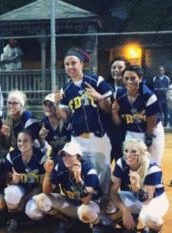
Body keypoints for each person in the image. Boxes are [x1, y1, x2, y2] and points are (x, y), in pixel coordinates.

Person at [58, 47, 113, 195]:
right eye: (67, 64)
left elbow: (108, 109)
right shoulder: (66, 89)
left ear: (82, 64)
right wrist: (57, 106)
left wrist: (99, 97)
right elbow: (67, 117)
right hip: (77, 139)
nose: (70, 67)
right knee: (80, 171)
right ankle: (84, 205)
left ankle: (104, 205)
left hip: (98, 137)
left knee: (104, 175)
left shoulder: (96, 81)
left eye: (73, 63)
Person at [33, 142, 103, 233]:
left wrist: (78, 178)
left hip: (90, 207)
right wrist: (48, 173)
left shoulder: (88, 170)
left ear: (78, 156)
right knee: (41, 199)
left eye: (70, 155)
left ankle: (97, 224)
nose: (66, 158)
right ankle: (64, 220)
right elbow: (47, 191)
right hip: (72, 205)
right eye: (63, 155)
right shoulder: (60, 166)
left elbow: (86, 200)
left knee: (85, 210)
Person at [109, 139, 169, 233]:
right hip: (135, 198)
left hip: (155, 200)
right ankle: (127, 223)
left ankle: (154, 229)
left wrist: (136, 187)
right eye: (126, 150)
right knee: (107, 202)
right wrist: (124, 210)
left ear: (141, 153)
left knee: (149, 218)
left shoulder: (153, 169)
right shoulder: (121, 163)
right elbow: (113, 192)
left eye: (133, 151)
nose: (128, 155)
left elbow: (147, 200)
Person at [112, 65, 164, 165]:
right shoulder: (119, 95)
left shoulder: (148, 96)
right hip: (131, 132)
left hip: (152, 131)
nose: (129, 81)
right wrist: (114, 112)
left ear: (140, 78)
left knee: (151, 164)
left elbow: (151, 124)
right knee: (131, 163)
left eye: (133, 78)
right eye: (126, 78)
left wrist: (148, 143)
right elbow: (118, 123)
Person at [4, 130, 47, 232]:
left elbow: (42, 185)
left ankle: (30, 220)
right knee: (10, 192)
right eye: (19, 141)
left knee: (34, 212)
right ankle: (13, 218)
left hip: (35, 192)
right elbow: (7, 180)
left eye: (25, 141)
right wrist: (13, 181)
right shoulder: (12, 156)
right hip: (21, 188)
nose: (21, 144)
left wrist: (25, 198)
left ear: (32, 142)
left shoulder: (41, 157)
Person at [105, 57, 129, 163]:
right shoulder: (105, 86)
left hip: (125, 132)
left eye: (120, 67)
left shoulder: (131, 88)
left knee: (123, 166)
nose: (116, 70)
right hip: (108, 132)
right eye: (113, 67)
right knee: (105, 167)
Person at [39, 93, 70, 160]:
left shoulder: (65, 119)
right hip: (54, 155)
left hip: (68, 155)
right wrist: (42, 139)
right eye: (45, 104)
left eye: (51, 104)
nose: (48, 107)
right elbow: (43, 147)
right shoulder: (44, 122)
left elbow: (66, 118)